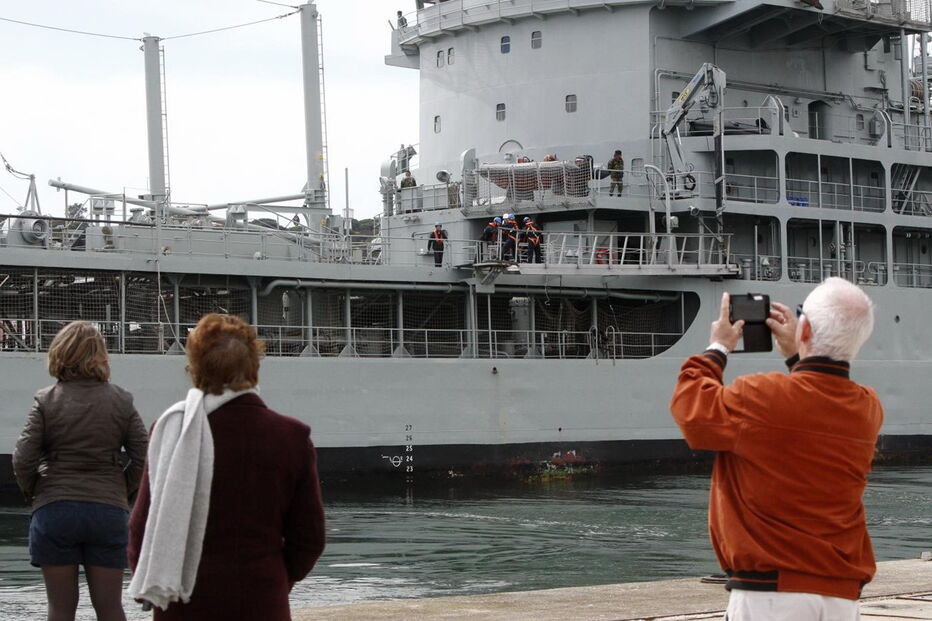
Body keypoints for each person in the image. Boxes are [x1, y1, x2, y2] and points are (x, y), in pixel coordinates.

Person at [669, 279, 883, 621]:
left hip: (772, 593)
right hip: (841, 595)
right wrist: (798, 355)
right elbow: (815, 398)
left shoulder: (759, 396)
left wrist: (718, 347)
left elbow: (691, 411)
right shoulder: (868, 407)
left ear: (805, 329)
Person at [128, 314, 326, 620]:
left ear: (195, 368)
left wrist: (161, 581)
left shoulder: (170, 431)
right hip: (261, 600)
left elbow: (141, 528)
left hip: (183, 602)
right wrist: (276, 578)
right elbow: (309, 538)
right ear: (254, 366)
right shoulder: (291, 437)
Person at [13, 321, 148, 621]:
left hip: (55, 510)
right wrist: (121, 489)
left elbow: (23, 458)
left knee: (61, 609)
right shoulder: (122, 400)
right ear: (100, 356)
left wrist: (36, 491)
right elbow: (142, 455)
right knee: (110, 607)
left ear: (59, 354)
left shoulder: (46, 400)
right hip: (107, 511)